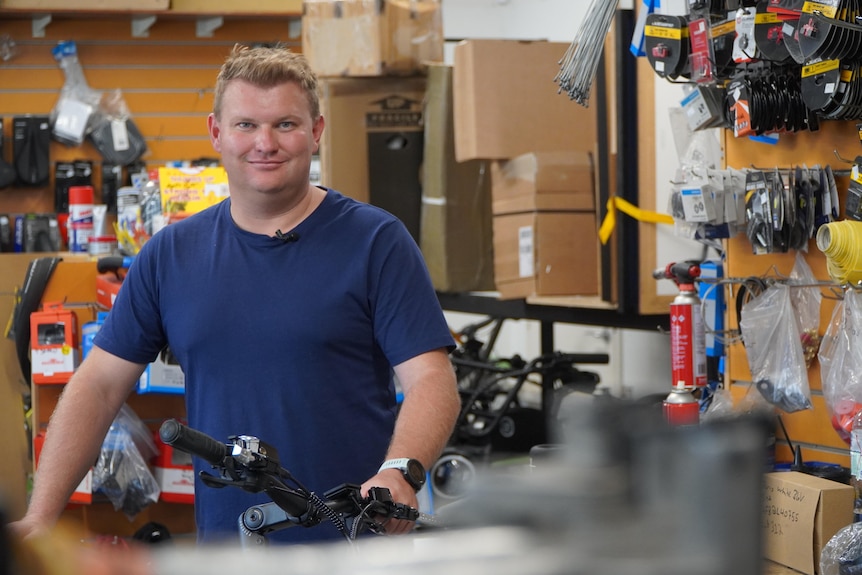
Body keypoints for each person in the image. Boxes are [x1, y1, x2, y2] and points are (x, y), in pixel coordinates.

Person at [11, 43, 461, 545]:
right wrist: (40, 516)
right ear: (216, 133)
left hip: (353, 545)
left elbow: (431, 379)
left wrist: (401, 471)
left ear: (315, 132)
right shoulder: (170, 254)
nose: (264, 143)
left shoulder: (376, 241)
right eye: (246, 124)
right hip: (230, 550)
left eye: (285, 125)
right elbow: (96, 387)